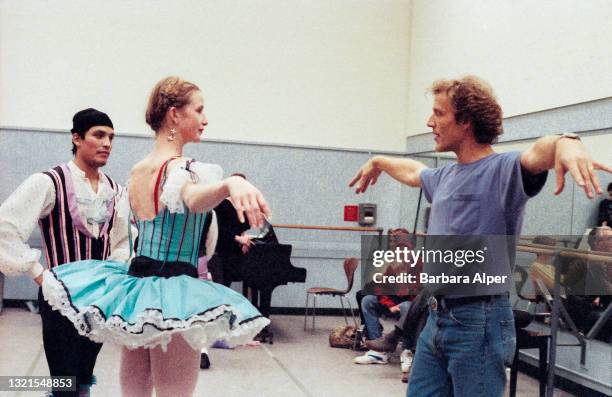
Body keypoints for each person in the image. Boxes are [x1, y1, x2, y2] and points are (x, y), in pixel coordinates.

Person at [349, 75, 611, 397]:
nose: (430, 122)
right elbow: (414, 172)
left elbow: (537, 153)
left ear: (466, 122)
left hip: (479, 322)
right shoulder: (445, 175)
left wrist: (567, 141)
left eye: (439, 114)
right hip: (435, 318)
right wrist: (378, 161)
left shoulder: (503, 170)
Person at [41, 76, 272, 397]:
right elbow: (191, 198)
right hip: (174, 294)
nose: (205, 119)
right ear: (175, 114)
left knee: (134, 391)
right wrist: (228, 184)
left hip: (136, 290)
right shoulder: (186, 170)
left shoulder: (138, 170)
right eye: (199, 110)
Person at [0, 108, 130, 397]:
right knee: (64, 384)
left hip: (99, 301)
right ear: (76, 138)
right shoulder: (49, 181)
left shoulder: (116, 190)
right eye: (98, 135)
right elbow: (5, 228)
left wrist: (114, 274)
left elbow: (124, 241)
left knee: (83, 379)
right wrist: (40, 275)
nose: (107, 143)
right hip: (59, 299)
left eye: (111, 137)